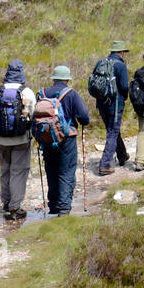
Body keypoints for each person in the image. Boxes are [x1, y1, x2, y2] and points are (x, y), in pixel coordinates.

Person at [0, 59, 36, 221]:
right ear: (22, 73)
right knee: (19, 171)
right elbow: (33, 116)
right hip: (22, 139)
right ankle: (15, 206)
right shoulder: (27, 93)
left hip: (2, 140)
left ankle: (6, 202)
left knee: (5, 170)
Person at [35, 65, 91, 217]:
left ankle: (53, 206)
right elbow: (84, 117)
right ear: (67, 79)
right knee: (66, 172)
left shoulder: (41, 93)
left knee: (51, 170)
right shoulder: (71, 94)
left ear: (53, 79)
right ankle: (64, 208)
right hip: (67, 138)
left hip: (46, 138)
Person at [91, 42, 132, 176]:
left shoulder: (100, 63)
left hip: (101, 103)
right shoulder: (120, 65)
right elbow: (125, 86)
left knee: (112, 130)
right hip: (115, 105)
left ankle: (122, 156)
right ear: (121, 52)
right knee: (112, 132)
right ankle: (106, 164)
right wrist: (124, 98)